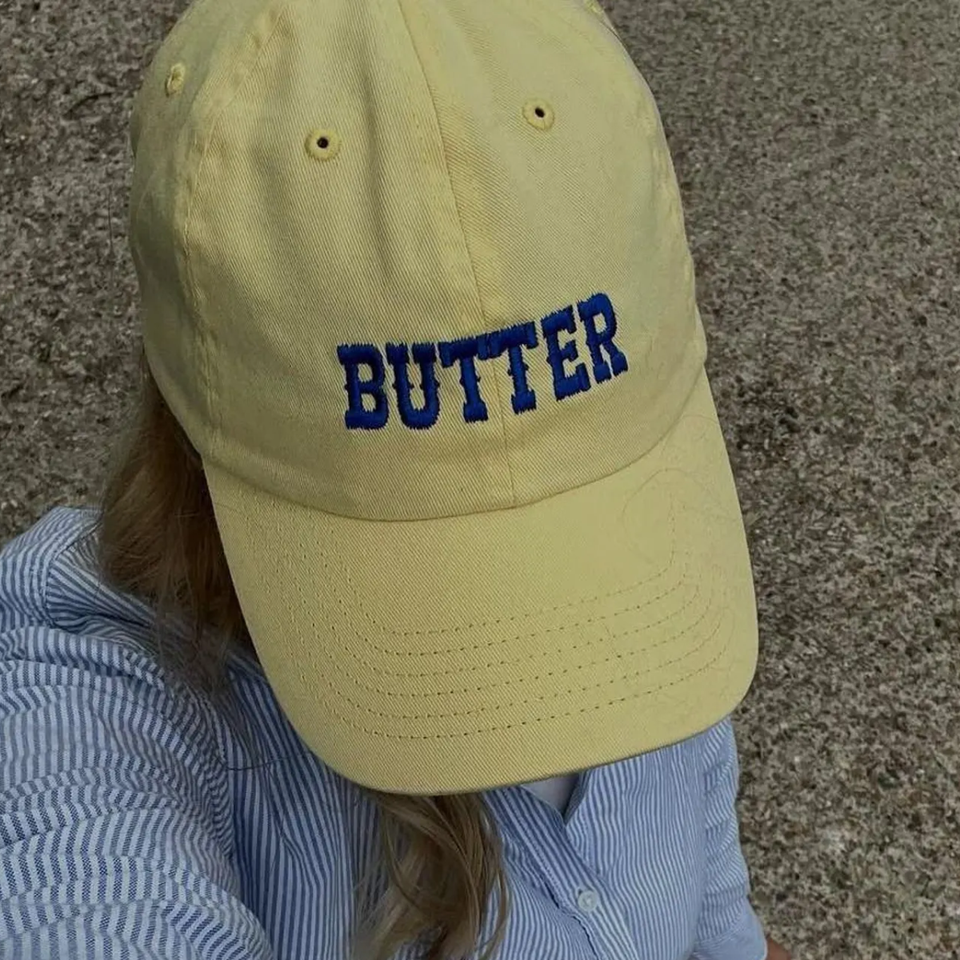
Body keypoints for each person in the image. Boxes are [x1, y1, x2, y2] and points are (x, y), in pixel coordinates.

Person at [0, 0, 793, 958]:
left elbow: (716, 905)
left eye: (571, 509)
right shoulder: (95, 698)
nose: (546, 641)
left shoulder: (659, 594)